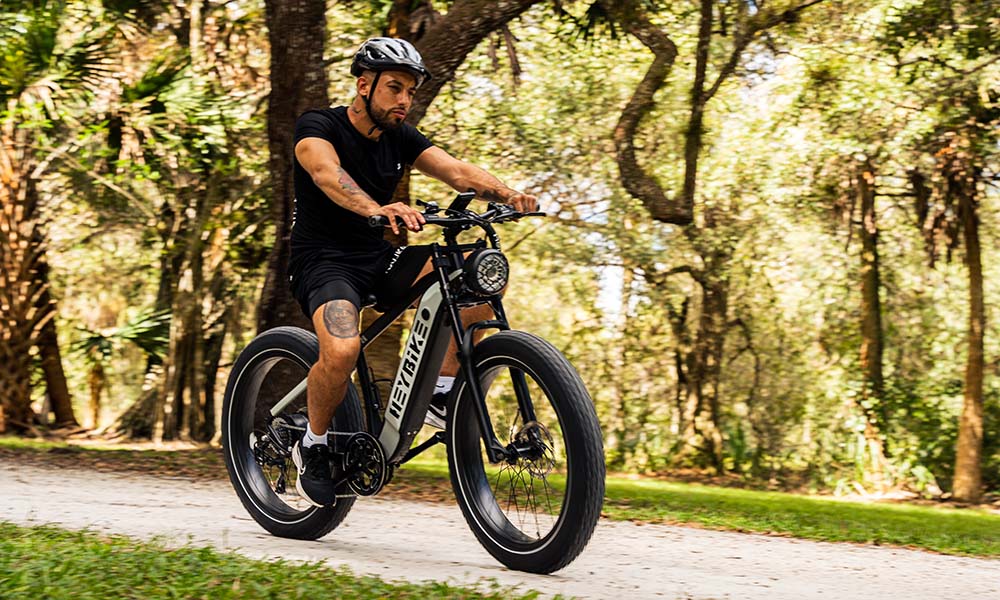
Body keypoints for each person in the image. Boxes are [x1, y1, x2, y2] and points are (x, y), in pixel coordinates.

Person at [288, 37, 538, 507]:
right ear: (364, 85)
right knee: (341, 350)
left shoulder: (401, 136)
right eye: (394, 88)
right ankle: (314, 446)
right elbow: (327, 174)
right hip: (323, 262)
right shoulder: (318, 125)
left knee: (476, 271)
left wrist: (508, 195)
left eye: (410, 91)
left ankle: (442, 392)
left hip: (377, 259)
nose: (404, 100)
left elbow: (457, 171)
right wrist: (376, 208)